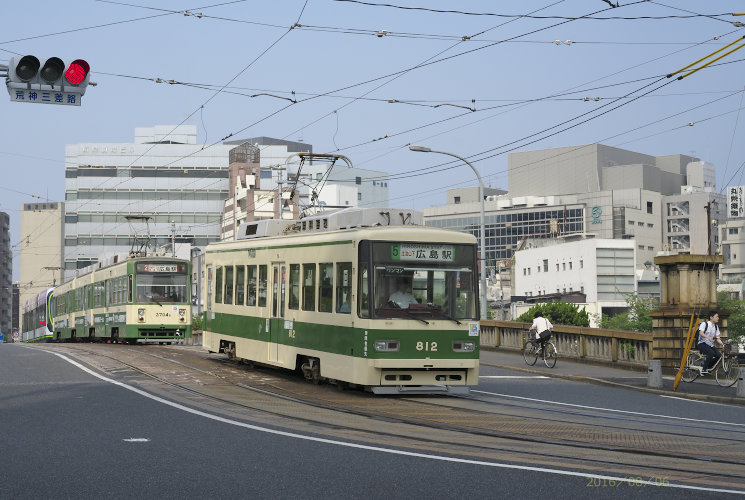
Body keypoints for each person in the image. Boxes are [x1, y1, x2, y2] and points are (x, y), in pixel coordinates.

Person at [698, 310, 724, 374]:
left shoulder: (716, 326)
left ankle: (708, 366)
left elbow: (718, 338)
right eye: (716, 316)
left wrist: (722, 344)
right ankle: (704, 369)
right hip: (701, 343)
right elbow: (701, 333)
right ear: (711, 317)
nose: (718, 318)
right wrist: (708, 337)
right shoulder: (704, 324)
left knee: (719, 355)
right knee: (711, 353)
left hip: (709, 345)